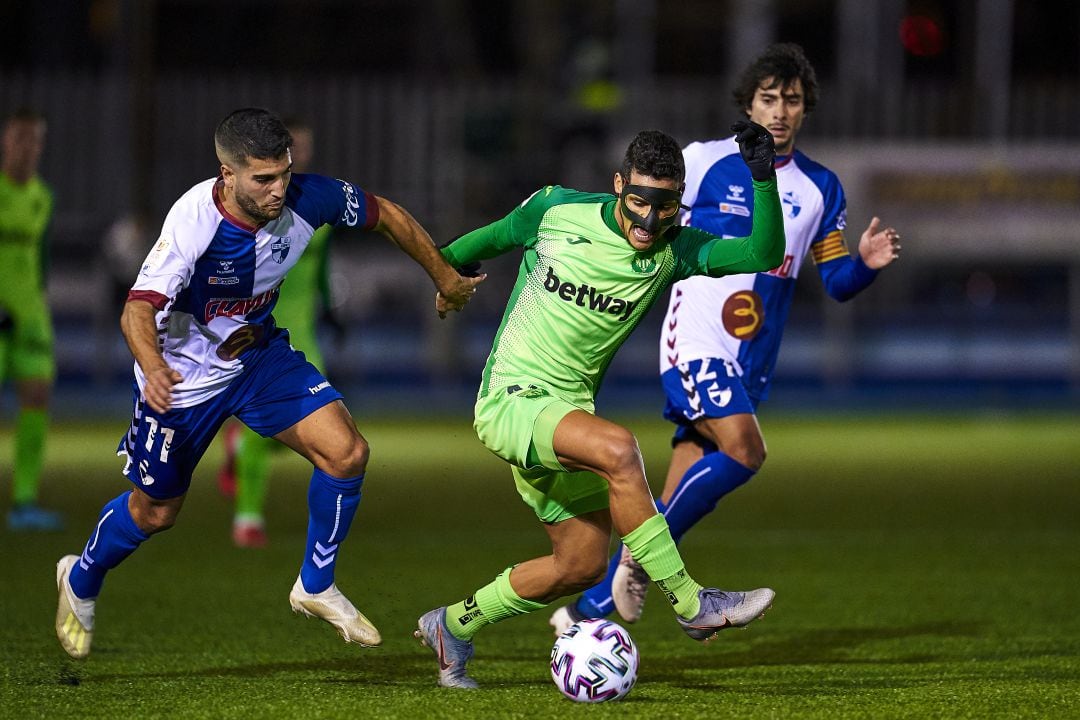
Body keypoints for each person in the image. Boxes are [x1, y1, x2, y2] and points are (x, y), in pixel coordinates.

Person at [54, 107, 484, 660]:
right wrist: (155, 367)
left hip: (255, 356)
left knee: (347, 452)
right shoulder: (194, 221)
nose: (279, 189)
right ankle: (81, 576)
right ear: (226, 174)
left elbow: (389, 216)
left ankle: (315, 584)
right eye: (264, 179)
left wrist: (445, 276)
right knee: (156, 512)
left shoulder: (308, 196)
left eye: (283, 173)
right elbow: (137, 309)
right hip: (182, 379)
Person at [414, 125, 785, 690]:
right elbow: (484, 241)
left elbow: (763, 251)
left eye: (666, 206)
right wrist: (445, 277)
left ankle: (454, 624)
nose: (648, 219)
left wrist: (763, 177)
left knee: (580, 564)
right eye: (638, 200)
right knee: (619, 449)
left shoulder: (676, 248)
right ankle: (692, 603)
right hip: (510, 400)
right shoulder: (555, 209)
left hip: (563, 417)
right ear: (617, 185)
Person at [551, 43, 903, 634]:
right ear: (748, 102)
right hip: (696, 338)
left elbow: (837, 282)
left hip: (753, 360)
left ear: (805, 109)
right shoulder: (706, 160)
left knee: (672, 496)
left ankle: (584, 614)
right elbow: (644, 223)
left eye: (792, 101)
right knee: (746, 450)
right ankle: (641, 563)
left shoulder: (822, 188)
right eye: (769, 99)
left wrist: (864, 263)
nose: (781, 112)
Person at [215, 117, 340, 548]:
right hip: (264, 332)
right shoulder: (257, 205)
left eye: (304, 148)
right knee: (262, 424)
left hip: (305, 331)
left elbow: (320, 265)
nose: (299, 156)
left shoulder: (315, 205)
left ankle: (234, 449)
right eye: (293, 148)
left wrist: (332, 307)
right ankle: (248, 517)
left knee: (318, 425)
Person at [0, 108, 62, 532]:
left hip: (30, 317)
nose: (28, 147)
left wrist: (38, 303)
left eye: (35, 139)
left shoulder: (43, 196)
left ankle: (24, 502)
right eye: (21, 138)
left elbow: (40, 258)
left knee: (37, 396)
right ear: (7, 141)